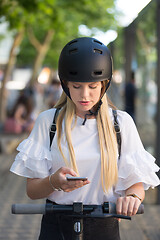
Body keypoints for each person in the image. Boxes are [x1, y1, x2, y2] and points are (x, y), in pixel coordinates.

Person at [10, 37, 160, 240]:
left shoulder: (121, 123)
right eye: (77, 86)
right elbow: (33, 190)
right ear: (65, 85)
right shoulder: (49, 121)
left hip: (104, 225)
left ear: (104, 85)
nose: (85, 95)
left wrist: (132, 198)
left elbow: (135, 182)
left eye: (93, 86)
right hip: (57, 226)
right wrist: (54, 182)